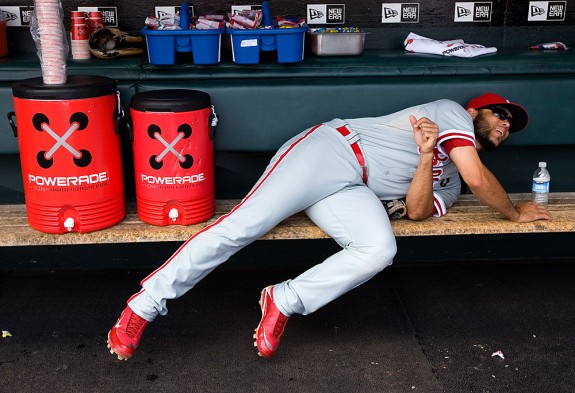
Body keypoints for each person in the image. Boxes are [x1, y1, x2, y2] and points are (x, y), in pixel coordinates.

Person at [107, 92, 552, 360]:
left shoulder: (452, 180)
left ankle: (284, 298)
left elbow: (418, 210)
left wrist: (424, 157)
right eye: (500, 115)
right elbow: (478, 176)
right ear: (478, 112)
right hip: (331, 151)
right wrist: (514, 212)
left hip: (354, 189)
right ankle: (144, 306)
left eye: (512, 126)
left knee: (379, 250)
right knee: (244, 225)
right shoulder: (452, 112)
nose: (506, 124)